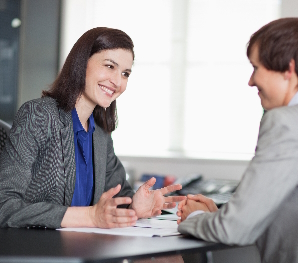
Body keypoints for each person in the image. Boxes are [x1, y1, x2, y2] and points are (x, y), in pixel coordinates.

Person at [177, 17, 298, 263]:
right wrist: (219, 216)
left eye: (256, 67)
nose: (251, 80)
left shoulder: (284, 123)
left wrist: (194, 218)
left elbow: (233, 230)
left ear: (288, 69)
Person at [0, 27, 185, 229]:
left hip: (86, 248)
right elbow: (4, 205)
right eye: (109, 66)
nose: (117, 81)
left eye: (125, 73)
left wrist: (134, 206)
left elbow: (118, 195)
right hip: (40, 250)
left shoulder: (100, 133)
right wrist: (89, 217)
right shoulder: (39, 115)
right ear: (82, 63)